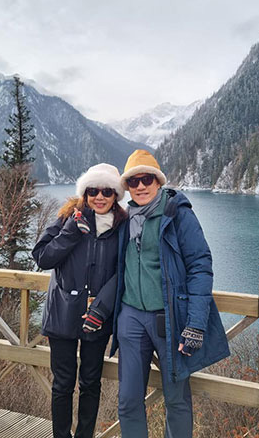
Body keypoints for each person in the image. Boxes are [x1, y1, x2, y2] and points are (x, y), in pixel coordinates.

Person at [109, 149, 230, 437]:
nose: (140, 186)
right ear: (127, 186)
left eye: (146, 178)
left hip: (170, 319)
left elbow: (200, 267)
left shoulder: (178, 215)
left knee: (176, 399)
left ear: (158, 181)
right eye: (133, 181)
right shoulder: (125, 219)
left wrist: (196, 324)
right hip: (130, 319)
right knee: (127, 400)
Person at [32, 163, 128, 438]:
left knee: (90, 383)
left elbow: (124, 270)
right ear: (84, 193)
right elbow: (42, 257)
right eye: (93, 190)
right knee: (62, 384)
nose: (99, 196)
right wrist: (71, 232)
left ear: (115, 196)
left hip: (97, 318)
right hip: (62, 313)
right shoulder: (67, 219)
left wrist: (102, 308)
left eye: (107, 191)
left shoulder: (122, 227)